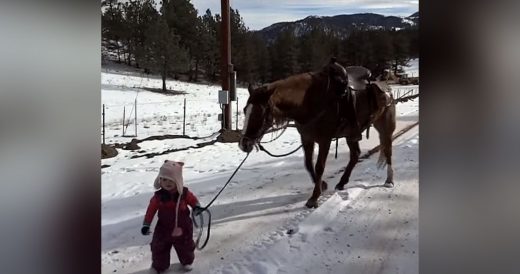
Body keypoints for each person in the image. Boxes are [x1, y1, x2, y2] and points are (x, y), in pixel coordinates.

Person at [141, 160, 204, 273]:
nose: (167, 183)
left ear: (178, 181)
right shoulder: (158, 197)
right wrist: (146, 224)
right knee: (159, 247)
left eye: (171, 180)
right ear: (159, 180)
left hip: (183, 227)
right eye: (164, 179)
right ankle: (160, 267)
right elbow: (150, 210)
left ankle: (187, 262)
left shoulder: (184, 193)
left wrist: (196, 207)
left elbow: (193, 200)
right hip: (163, 228)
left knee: (186, 246)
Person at [325, 57, 362, 141]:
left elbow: (344, 82)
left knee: (348, 104)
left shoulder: (337, 69)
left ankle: (353, 127)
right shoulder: (336, 69)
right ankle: (354, 126)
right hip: (340, 86)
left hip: (342, 86)